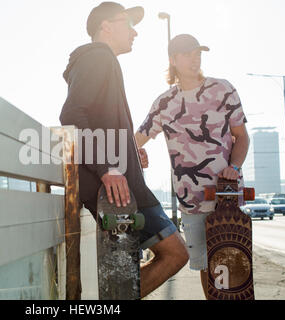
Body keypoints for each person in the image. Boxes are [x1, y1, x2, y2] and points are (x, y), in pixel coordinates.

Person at [59, 2, 189, 298]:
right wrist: (107, 168)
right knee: (175, 253)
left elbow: (97, 120)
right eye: (128, 23)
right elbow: (71, 116)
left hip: (123, 183)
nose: (135, 32)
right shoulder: (98, 58)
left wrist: (130, 151)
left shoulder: (100, 61)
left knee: (134, 264)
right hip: (117, 189)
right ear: (106, 26)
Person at [135, 34, 250, 299]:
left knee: (231, 265)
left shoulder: (223, 89)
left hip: (226, 194)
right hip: (191, 199)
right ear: (173, 60)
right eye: (187, 54)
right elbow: (136, 139)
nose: (195, 58)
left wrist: (234, 166)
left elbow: (241, 136)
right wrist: (138, 153)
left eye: (198, 52)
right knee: (206, 266)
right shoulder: (164, 103)